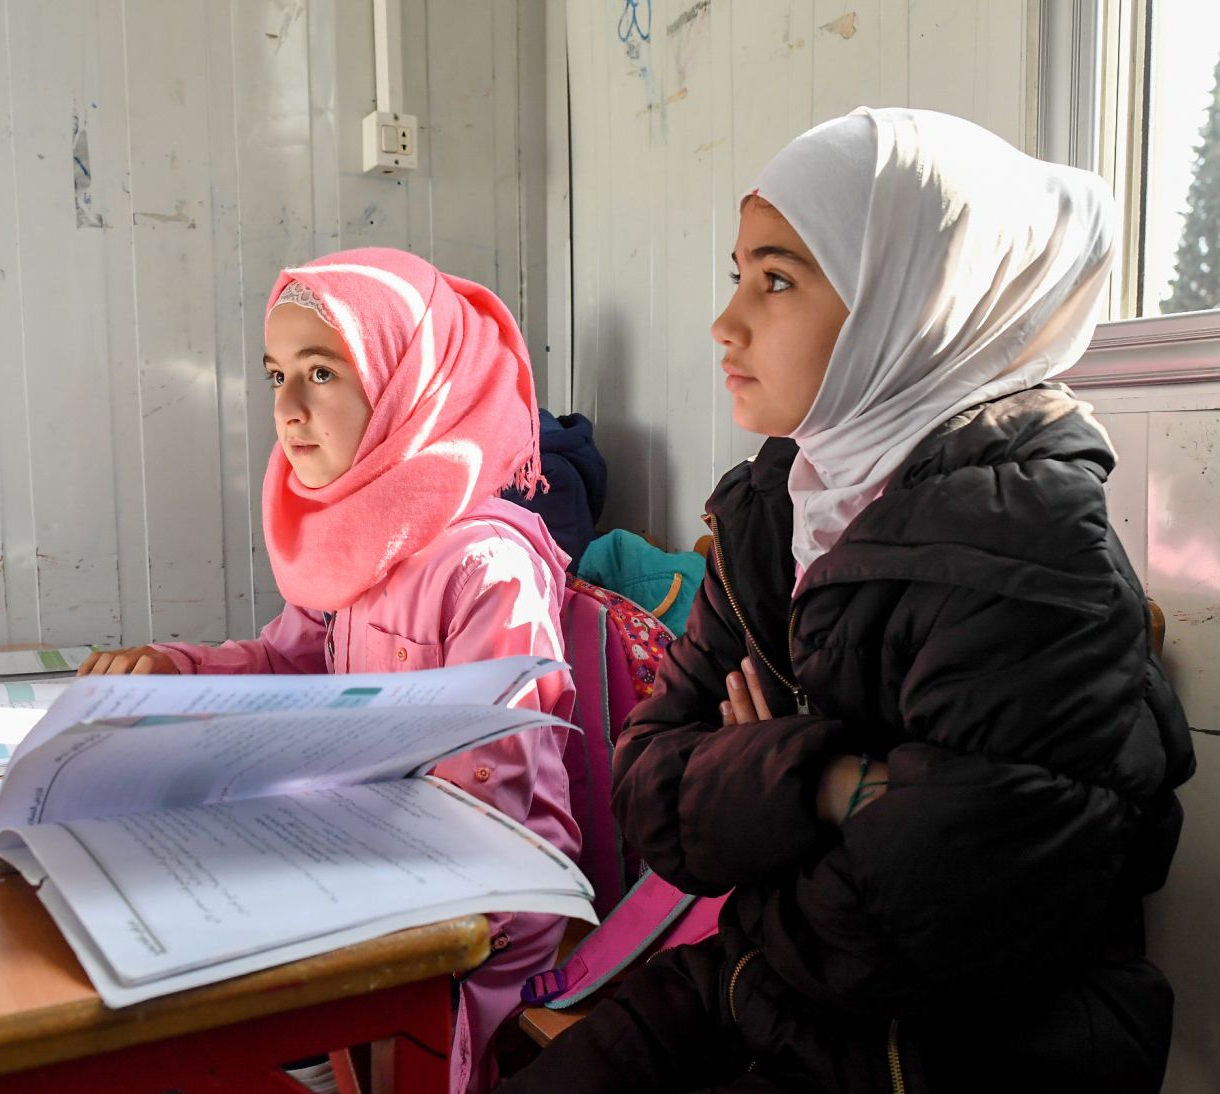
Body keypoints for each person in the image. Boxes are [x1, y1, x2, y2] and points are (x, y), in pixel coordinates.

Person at [500, 107, 1193, 1093]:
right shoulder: (776, 508)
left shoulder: (1038, 555)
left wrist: (745, 783)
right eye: (735, 274)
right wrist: (824, 779)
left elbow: (889, 932)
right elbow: (646, 786)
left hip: (940, 1053)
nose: (725, 322)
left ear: (908, 301)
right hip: (764, 990)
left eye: (775, 278)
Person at [80, 246, 579, 1094]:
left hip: (490, 898)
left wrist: (335, 856)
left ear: (403, 384)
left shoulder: (483, 566)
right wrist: (172, 666)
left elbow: (488, 791)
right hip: (369, 853)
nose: (288, 407)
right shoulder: (361, 537)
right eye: (276, 373)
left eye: (321, 372)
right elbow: (286, 658)